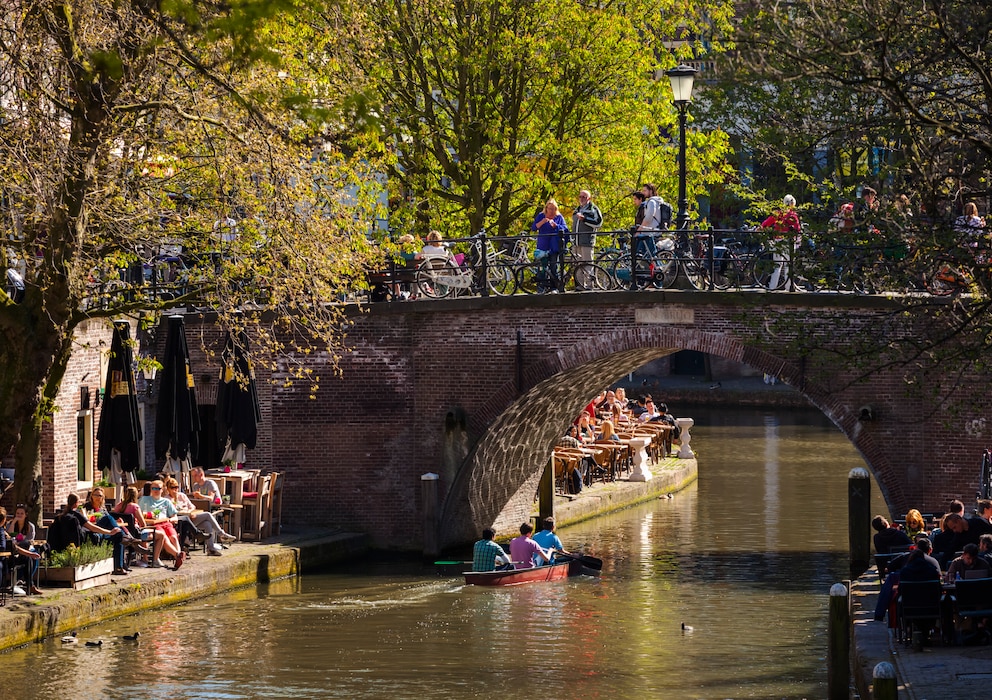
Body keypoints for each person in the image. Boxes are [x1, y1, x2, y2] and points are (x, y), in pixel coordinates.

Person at [166, 476, 235, 555]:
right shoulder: (167, 499)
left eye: (177, 487)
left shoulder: (182, 496)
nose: (175, 490)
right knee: (208, 516)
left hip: (190, 518)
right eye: (173, 488)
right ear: (168, 489)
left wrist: (191, 512)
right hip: (179, 522)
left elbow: (192, 506)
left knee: (207, 524)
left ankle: (211, 548)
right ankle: (221, 534)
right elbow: (171, 513)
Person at [83, 488, 134, 575]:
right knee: (108, 518)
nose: (97, 497)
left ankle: (119, 567)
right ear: (91, 496)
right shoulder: (86, 508)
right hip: (93, 529)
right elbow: (85, 521)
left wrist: (117, 522)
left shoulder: (103, 509)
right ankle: (126, 536)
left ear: (103, 497)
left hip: (104, 532)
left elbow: (110, 524)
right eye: (95, 495)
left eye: (100, 495)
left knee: (118, 537)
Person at [138, 480, 186, 570]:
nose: (155, 490)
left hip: (166, 523)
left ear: (162, 490)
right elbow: (139, 513)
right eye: (153, 488)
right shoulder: (145, 499)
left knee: (174, 538)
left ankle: (179, 558)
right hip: (154, 524)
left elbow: (175, 517)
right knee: (165, 538)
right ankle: (178, 555)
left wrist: (170, 519)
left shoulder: (166, 501)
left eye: (158, 488)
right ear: (151, 489)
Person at [532, 199, 569, 293]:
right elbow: (534, 227)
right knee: (542, 267)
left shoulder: (559, 217)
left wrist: (556, 226)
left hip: (554, 246)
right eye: (550, 209)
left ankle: (554, 287)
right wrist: (543, 221)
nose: (552, 211)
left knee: (554, 266)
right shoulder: (541, 216)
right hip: (543, 245)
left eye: (554, 209)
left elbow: (565, 229)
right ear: (546, 209)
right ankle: (541, 287)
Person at [6, 503, 43, 593]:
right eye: (17, 513)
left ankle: (23, 581)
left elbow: (30, 541)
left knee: (30, 554)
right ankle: (29, 585)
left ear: (26, 515)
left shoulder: (30, 526)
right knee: (29, 557)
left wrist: (19, 543)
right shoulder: (10, 524)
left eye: (21, 513)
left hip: (26, 548)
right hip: (14, 549)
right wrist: (14, 522)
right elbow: (9, 536)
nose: (19, 515)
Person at [572, 190, 603, 284]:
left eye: (584, 197)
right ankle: (580, 285)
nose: (581, 199)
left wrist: (584, 219)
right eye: (580, 197)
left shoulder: (593, 209)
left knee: (588, 263)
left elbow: (598, 222)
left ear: (588, 198)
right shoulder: (577, 210)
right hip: (576, 242)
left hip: (587, 241)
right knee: (578, 264)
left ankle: (589, 285)